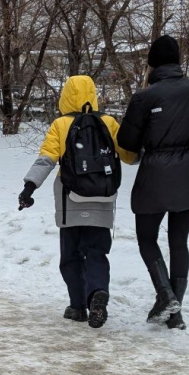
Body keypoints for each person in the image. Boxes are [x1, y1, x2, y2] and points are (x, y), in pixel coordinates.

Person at [117, 35, 189, 330]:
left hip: (154, 173)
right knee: (178, 242)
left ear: (151, 63)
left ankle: (166, 297)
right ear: (178, 60)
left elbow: (126, 139)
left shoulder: (145, 96)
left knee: (146, 238)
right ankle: (175, 313)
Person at [18, 75, 137, 328]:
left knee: (71, 256)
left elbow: (46, 159)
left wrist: (29, 188)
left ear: (66, 95)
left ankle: (77, 306)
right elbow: (129, 156)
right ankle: (97, 293)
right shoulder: (109, 122)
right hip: (103, 199)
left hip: (70, 199)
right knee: (97, 252)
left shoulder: (60, 125)